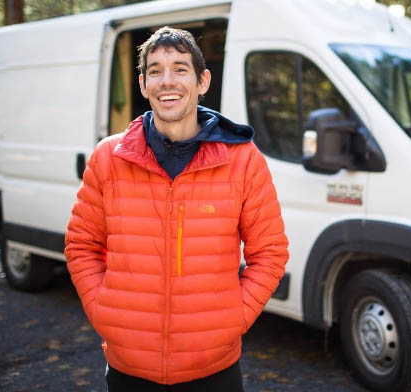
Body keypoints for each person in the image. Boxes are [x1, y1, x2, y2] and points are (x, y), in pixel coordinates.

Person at [64, 26, 289, 391]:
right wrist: (104, 313)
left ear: (203, 81)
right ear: (143, 84)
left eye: (180, 69)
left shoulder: (243, 160)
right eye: (155, 71)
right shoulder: (108, 157)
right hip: (129, 370)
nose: (167, 81)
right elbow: (81, 246)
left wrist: (232, 320)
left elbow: (271, 253)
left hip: (214, 370)